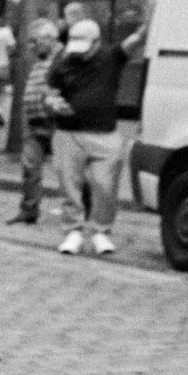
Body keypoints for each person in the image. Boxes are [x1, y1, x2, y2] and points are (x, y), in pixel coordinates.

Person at [45, 17, 129, 255]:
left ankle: (101, 231)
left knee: (106, 184)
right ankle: (73, 231)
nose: (79, 54)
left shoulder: (112, 56)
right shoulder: (63, 61)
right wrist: (54, 103)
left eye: (85, 49)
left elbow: (137, 40)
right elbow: (51, 93)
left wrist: (150, 15)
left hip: (104, 133)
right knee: (69, 185)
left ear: (97, 43)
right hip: (68, 133)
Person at [5, 17, 64, 225]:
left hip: (55, 123)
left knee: (68, 170)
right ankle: (29, 209)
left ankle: (82, 212)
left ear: (48, 39)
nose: (30, 47)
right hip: (35, 122)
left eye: (33, 42)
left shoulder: (63, 59)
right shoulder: (41, 59)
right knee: (30, 167)